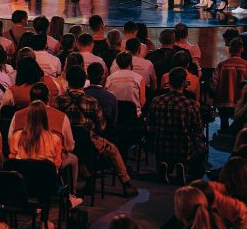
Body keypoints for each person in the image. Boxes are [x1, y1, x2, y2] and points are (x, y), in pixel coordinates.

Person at [55, 67, 138, 196]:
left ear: (68, 81)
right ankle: (126, 183)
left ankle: (88, 179)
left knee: (78, 154)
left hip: (65, 142)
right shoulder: (91, 101)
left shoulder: (59, 100)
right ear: (84, 81)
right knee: (113, 151)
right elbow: (102, 126)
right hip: (88, 142)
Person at [148, 68, 205, 183]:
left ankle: (164, 165)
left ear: (169, 82)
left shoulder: (156, 101)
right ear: (184, 83)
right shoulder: (190, 104)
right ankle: (182, 164)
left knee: (163, 150)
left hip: (161, 145)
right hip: (183, 146)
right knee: (200, 147)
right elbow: (198, 128)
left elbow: (150, 123)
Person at [211, 38, 247, 131]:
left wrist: (212, 96)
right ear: (242, 49)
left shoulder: (221, 65)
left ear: (230, 50)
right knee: (240, 128)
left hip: (223, 103)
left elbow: (213, 84)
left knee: (223, 126)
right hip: (241, 103)